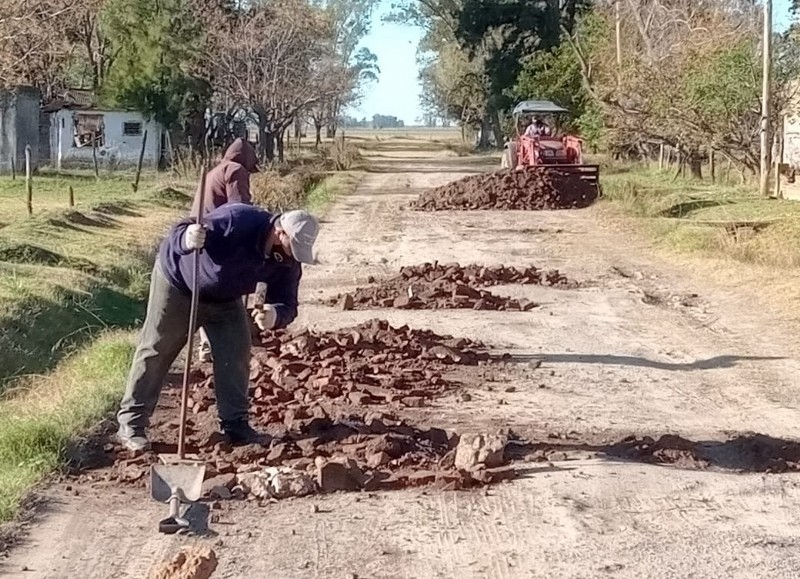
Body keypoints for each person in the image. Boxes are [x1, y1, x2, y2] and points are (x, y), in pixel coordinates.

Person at [116, 203, 320, 452]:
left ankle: (235, 425)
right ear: (280, 233)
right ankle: (132, 424)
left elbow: (288, 303)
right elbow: (179, 229)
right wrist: (187, 238)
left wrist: (275, 314)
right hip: (180, 285)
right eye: (294, 246)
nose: (294, 255)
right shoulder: (237, 220)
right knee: (158, 349)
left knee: (236, 353)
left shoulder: (288, 262)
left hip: (225, 298)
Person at [194, 137, 261, 362]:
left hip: (199, 234)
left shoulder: (215, 171)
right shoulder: (235, 170)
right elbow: (240, 208)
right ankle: (230, 341)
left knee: (205, 291)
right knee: (229, 287)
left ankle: (206, 344)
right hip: (218, 235)